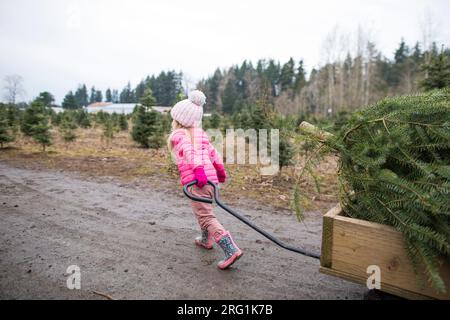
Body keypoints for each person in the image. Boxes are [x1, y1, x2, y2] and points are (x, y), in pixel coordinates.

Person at [167, 90, 243, 269]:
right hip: (211, 181)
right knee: (203, 211)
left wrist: (199, 172)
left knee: (205, 215)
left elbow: (190, 153)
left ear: (179, 119)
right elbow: (214, 154)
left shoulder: (179, 135)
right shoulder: (200, 134)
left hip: (198, 181)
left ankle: (231, 250)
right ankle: (205, 239)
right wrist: (220, 172)